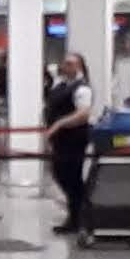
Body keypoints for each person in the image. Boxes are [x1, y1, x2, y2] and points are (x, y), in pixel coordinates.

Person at [43, 57, 99, 234]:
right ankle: (76, 216)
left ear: (80, 67)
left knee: (71, 178)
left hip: (74, 139)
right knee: (61, 175)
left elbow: (83, 114)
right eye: (64, 62)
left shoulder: (82, 88)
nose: (64, 66)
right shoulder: (61, 86)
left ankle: (80, 218)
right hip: (59, 140)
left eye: (69, 63)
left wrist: (59, 124)